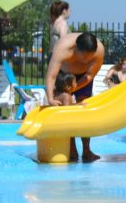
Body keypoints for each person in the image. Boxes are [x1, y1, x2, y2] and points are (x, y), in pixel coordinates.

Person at [45, 31, 105, 162]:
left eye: (90, 57)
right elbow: (51, 75)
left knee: (85, 111)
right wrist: (50, 98)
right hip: (64, 75)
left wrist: (74, 88)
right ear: (76, 49)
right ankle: (71, 148)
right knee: (66, 110)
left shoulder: (99, 51)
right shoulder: (63, 48)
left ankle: (86, 150)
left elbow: (89, 76)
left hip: (83, 78)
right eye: (83, 57)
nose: (86, 61)